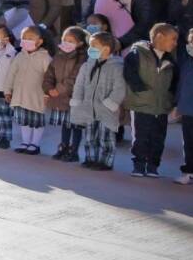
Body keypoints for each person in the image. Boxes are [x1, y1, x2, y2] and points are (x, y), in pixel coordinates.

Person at [124, 22, 178, 177]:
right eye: (172, 39)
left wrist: (172, 99)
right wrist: (139, 89)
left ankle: (153, 165)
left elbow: (175, 80)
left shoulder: (171, 59)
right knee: (141, 136)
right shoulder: (137, 53)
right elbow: (129, 72)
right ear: (159, 37)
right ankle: (139, 164)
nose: (175, 43)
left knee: (158, 137)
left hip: (161, 106)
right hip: (142, 105)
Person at [70, 31, 125, 170]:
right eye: (90, 45)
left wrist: (110, 103)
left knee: (106, 137)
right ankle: (90, 158)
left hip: (106, 109)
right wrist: (77, 99)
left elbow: (120, 87)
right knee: (89, 136)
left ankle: (105, 162)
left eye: (94, 45)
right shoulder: (87, 65)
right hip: (89, 107)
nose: (90, 49)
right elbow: (79, 83)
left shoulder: (117, 67)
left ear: (106, 49)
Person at [44, 26, 88, 161]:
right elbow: (50, 73)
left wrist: (60, 89)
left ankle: (74, 151)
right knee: (65, 124)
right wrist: (48, 88)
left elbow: (75, 77)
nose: (66, 43)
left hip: (74, 97)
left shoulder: (82, 58)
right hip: (60, 98)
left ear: (80, 43)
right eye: (65, 40)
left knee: (76, 125)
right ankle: (63, 147)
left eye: (71, 41)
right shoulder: (59, 55)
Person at [7, 25, 52, 154]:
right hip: (20, 95)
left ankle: (35, 144)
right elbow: (12, 74)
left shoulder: (45, 57)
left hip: (37, 96)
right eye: (24, 38)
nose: (26, 40)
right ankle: (25, 142)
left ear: (40, 41)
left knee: (36, 120)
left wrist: (47, 93)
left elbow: (49, 77)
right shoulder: (19, 56)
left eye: (30, 38)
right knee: (24, 120)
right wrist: (8, 90)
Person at [174, 25, 193, 185]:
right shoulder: (187, 62)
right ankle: (190, 172)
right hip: (188, 111)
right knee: (189, 142)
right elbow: (182, 85)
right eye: (190, 42)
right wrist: (177, 105)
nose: (191, 46)